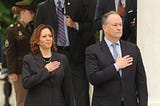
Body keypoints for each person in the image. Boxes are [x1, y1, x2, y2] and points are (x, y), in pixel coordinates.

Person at [35, 0, 96, 106]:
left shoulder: (77, 4)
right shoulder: (43, 8)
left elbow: (90, 25)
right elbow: (37, 34)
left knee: (81, 90)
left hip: (75, 55)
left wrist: (75, 25)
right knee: (55, 91)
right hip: (54, 55)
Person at [86, 11, 148, 106]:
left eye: (120, 24)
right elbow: (93, 78)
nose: (119, 28)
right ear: (104, 27)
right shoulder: (93, 51)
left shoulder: (133, 49)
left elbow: (141, 81)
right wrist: (116, 66)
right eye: (115, 25)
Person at [22, 24, 74, 106]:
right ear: (38, 41)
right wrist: (46, 71)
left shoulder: (62, 59)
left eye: (50, 36)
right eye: (44, 36)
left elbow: (68, 88)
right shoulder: (29, 59)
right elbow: (26, 83)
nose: (48, 39)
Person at [5, 1, 35, 106]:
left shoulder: (33, 28)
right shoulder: (12, 30)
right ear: (22, 12)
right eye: (30, 11)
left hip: (33, 68)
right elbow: (10, 53)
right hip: (20, 70)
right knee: (22, 100)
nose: (33, 14)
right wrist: (12, 72)